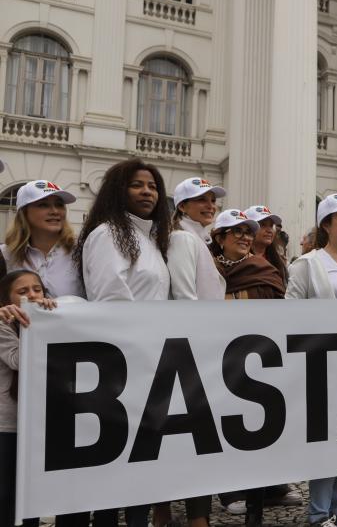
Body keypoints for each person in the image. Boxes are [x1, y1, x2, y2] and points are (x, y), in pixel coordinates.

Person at [72, 158, 172, 527]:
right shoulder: (108, 234)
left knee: (140, 468)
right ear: (119, 190)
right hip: (121, 368)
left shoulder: (150, 240)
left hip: (150, 364)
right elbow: (111, 299)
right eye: (137, 185)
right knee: (112, 473)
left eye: (153, 186)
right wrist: (140, 352)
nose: (147, 192)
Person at [286, 194, 337, 527]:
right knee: (326, 439)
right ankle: (319, 513)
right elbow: (290, 313)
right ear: (325, 224)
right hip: (322, 363)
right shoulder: (308, 264)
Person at [208, 209, 286, 526]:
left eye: (247, 232)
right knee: (220, 424)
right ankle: (227, 490)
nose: (244, 237)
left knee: (252, 425)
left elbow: (274, 299)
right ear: (219, 238)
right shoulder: (207, 266)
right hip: (215, 354)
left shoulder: (261, 267)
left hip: (254, 356)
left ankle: (257, 491)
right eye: (236, 231)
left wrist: (232, 298)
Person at [160, 177, 227, 527]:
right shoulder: (184, 239)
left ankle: (176, 514)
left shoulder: (197, 239)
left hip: (198, 346)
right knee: (193, 439)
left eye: (212, 199)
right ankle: (191, 517)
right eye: (201, 199)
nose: (210, 205)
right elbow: (184, 295)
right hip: (193, 351)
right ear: (182, 206)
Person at [0, 271, 56, 527]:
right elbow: (18, 360)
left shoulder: (49, 317)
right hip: (7, 425)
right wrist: (37, 324)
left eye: (37, 289)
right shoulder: (3, 324)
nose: (32, 295)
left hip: (36, 424)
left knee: (30, 498)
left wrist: (48, 317)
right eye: (22, 292)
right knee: (6, 495)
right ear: (7, 299)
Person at [1, 180, 84, 298]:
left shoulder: (81, 250)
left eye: (59, 205)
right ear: (24, 212)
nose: (55, 211)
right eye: (43, 205)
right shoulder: (5, 255)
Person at [244, 205, 289, 285]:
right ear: (249, 229)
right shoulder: (239, 259)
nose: (269, 230)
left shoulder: (279, 262)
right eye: (263, 225)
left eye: (271, 225)